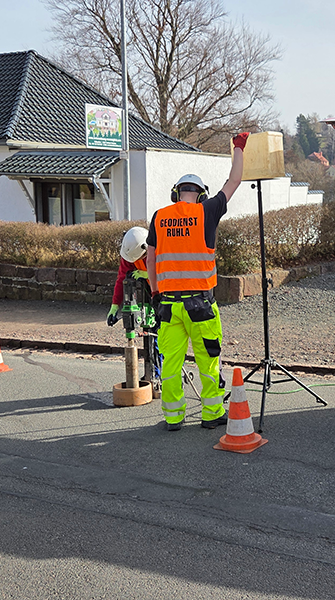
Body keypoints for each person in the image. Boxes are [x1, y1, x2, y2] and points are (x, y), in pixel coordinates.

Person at [147, 132, 248, 431]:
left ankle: (173, 417)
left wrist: (155, 292)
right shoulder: (207, 211)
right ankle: (211, 414)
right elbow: (234, 181)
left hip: (167, 306)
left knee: (171, 364)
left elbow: (150, 259)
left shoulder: (159, 217)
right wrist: (238, 147)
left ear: (175, 193)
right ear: (201, 194)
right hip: (201, 305)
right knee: (208, 361)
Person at [108, 226, 161, 385]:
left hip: (165, 294)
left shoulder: (159, 250)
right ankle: (152, 374)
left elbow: (168, 273)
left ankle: (162, 375)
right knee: (149, 332)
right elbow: (121, 278)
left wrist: (148, 274)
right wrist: (114, 306)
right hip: (147, 296)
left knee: (162, 337)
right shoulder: (131, 253)